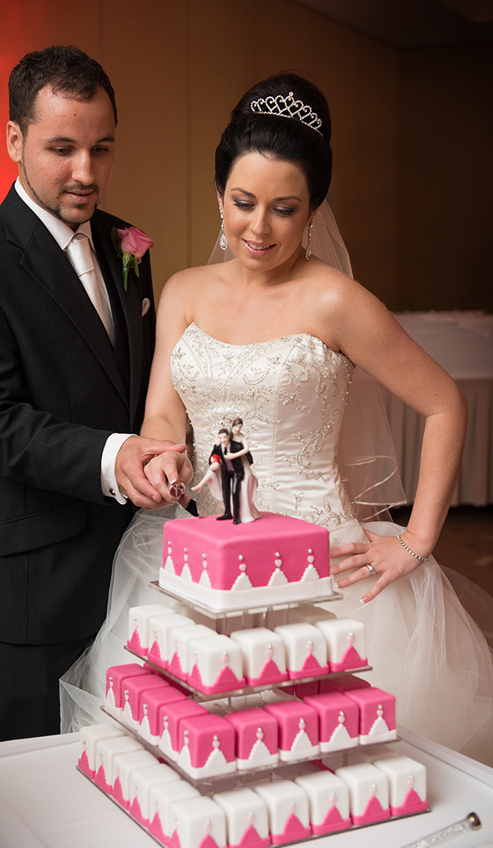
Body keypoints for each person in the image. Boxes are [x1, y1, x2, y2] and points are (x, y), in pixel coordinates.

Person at [61, 73, 493, 764]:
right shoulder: (184, 292)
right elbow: (165, 411)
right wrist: (168, 453)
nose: (258, 228)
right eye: (243, 202)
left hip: (323, 570)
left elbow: (445, 402)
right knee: (196, 759)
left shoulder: (336, 301)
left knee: (328, 765)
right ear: (219, 196)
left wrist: (416, 540)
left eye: (285, 209)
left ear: (315, 208)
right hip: (204, 558)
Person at [0, 45, 190, 742]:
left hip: (134, 563)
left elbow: (142, 381)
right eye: (62, 148)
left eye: (102, 149)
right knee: (36, 780)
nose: (86, 172)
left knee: (128, 760)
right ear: (14, 140)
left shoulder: (129, 242)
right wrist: (116, 456)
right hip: (34, 577)